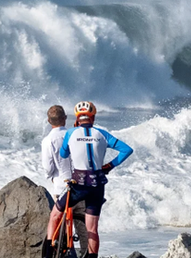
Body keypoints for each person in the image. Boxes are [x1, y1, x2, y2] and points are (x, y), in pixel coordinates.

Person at [43, 101, 134, 258]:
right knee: (92, 228)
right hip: (97, 185)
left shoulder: (71, 133)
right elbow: (127, 150)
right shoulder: (102, 134)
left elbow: (64, 154)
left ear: (77, 118)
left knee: (55, 214)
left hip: (78, 185)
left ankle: (48, 251)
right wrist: (109, 166)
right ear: (93, 117)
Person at [41, 105, 88, 256]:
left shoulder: (48, 140)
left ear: (49, 121)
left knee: (60, 223)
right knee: (83, 226)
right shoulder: (76, 135)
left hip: (61, 186)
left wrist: (54, 176)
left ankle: (65, 253)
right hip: (81, 184)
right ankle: (88, 254)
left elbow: (48, 168)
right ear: (65, 118)